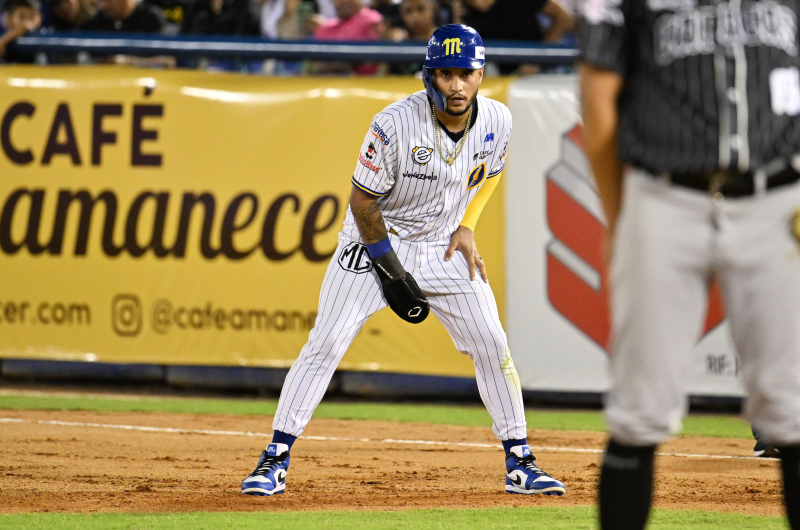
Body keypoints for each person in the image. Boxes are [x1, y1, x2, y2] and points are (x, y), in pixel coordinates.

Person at [241, 23, 566, 499]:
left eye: (467, 74)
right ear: (429, 75)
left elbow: (489, 172)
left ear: (480, 75)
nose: (457, 86)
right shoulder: (393, 124)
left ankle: (520, 461)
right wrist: (390, 271)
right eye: (446, 74)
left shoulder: (498, 119)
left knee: (492, 343)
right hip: (375, 243)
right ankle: (275, 458)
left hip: (443, 247)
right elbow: (363, 204)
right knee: (327, 342)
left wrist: (468, 224)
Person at [578, 2, 800, 529]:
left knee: (794, 406)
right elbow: (597, 92)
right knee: (639, 408)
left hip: (780, 199)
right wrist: (620, 217)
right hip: (664, 196)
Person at [461, 0, 573, 74]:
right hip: (497, 76)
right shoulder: (459, 10)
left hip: (544, 73)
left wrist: (538, 60)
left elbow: (564, 18)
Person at [312, 0, 383, 75]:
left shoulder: (372, 20)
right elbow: (315, 62)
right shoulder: (325, 27)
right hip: (324, 82)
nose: (345, 1)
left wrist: (334, 65)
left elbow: (361, 58)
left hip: (363, 82)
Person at [386, 0, 439, 75]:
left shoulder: (446, 39)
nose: (415, 17)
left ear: (433, 9)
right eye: (408, 11)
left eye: (421, 9)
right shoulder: (400, 42)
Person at [80, 0, 164, 33]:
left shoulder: (150, 18)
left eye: (108, 0)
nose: (103, 6)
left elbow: (168, 59)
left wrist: (132, 62)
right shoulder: (96, 22)